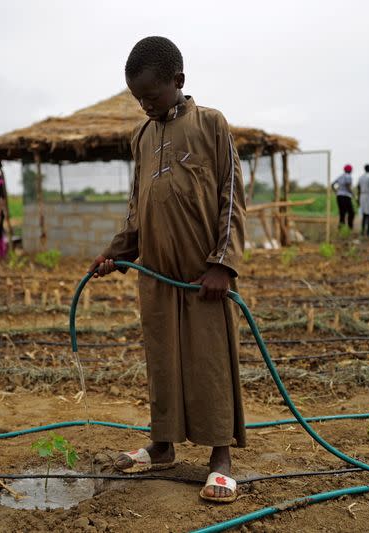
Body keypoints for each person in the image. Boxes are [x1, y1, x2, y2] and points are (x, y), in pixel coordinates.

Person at [89, 36, 246, 504]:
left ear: (178, 82)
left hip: (203, 275)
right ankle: (162, 445)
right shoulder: (141, 136)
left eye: (151, 96)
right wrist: (118, 252)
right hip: (156, 272)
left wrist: (223, 265)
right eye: (138, 98)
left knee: (210, 357)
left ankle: (220, 457)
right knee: (161, 357)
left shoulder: (210, 124)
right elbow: (137, 207)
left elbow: (232, 198)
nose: (144, 105)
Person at [357, 164, 369, 237]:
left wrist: (358, 198)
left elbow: (358, 188)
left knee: (364, 215)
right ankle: (368, 232)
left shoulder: (360, 177)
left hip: (362, 196)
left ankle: (363, 231)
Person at [332, 165, 354, 230]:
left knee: (342, 213)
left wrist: (336, 192)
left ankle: (341, 228)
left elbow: (333, 184)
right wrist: (353, 194)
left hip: (339, 196)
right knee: (351, 212)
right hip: (346, 196)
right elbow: (348, 185)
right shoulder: (348, 176)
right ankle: (350, 227)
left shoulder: (340, 176)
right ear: (349, 170)